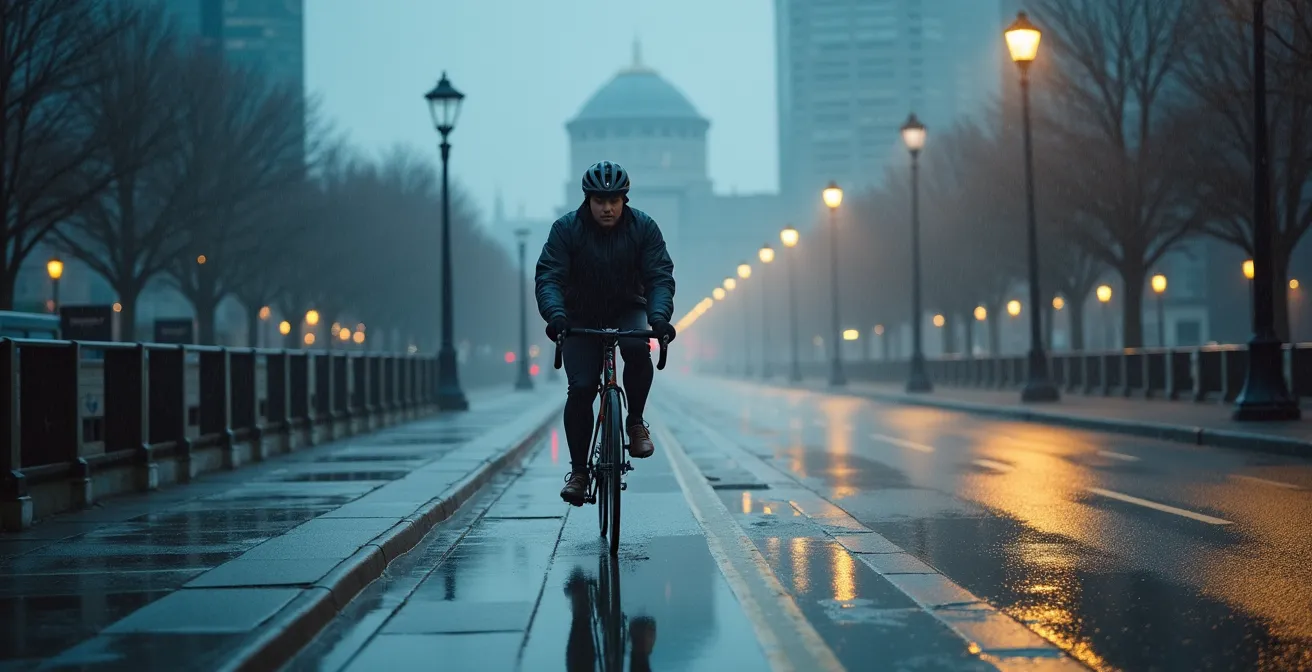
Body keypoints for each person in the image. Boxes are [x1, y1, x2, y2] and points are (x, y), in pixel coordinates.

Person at [535, 160, 677, 506]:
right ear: (588, 200)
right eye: (600, 201)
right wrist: (556, 316)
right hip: (579, 314)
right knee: (582, 387)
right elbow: (549, 277)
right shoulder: (566, 229)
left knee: (636, 347)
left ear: (625, 199)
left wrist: (658, 319)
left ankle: (635, 421)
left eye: (614, 200)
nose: (608, 208)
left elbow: (659, 277)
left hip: (628, 305)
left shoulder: (644, 228)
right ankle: (580, 472)